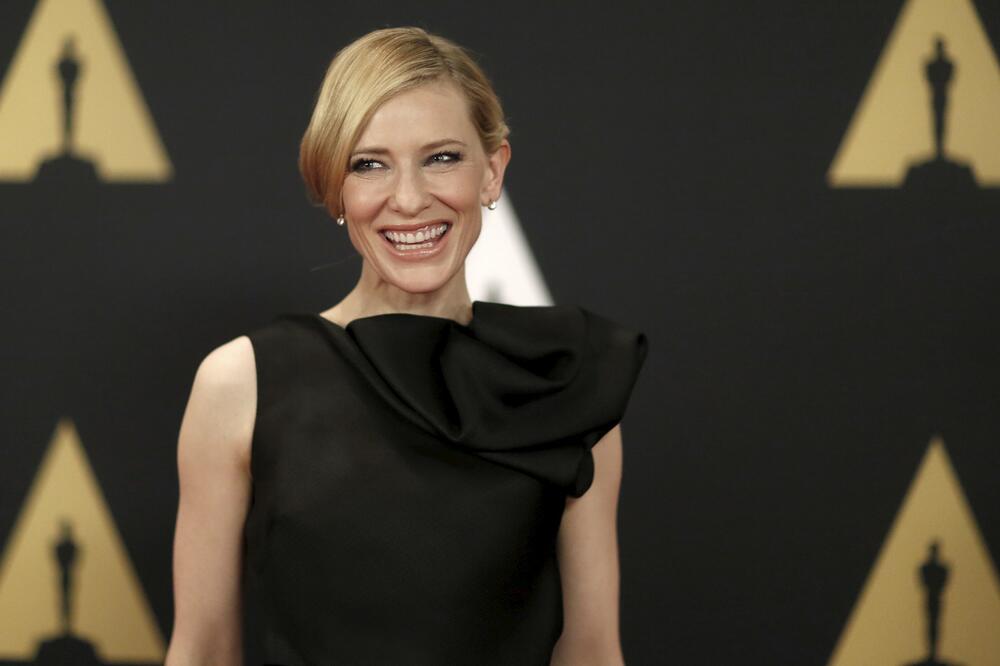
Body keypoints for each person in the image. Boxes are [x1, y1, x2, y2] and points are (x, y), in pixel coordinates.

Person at [165, 26, 647, 666]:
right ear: (335, 187)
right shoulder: (242, 384)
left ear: (493, 171)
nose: (411, 199)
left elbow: (590, 652)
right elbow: (201, 652)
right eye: (369, 164)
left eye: (442, 157)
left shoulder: (564, 383)